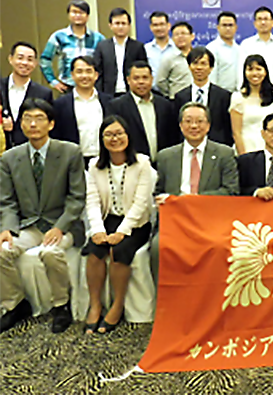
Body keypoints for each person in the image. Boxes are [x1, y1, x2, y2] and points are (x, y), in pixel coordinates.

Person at [0, 98, 85, 334]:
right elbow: (6, 201)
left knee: (50, 252)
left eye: (39, 119)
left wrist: (60, 227)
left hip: (63, 224)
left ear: (51, 124)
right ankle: (15, 304)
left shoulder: (70, 152)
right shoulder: (9, 158)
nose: (32, 124)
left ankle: (61, 305)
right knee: (3, 250)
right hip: (29, 226)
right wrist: (6, 227)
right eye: (27, 119)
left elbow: (77, 197)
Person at [152, 102, 239, 279]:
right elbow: (157, 192)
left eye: (199, 121)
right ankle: (164, 301)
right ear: (180, 125)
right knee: (157, 248)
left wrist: (194, 199)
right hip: (175, 221)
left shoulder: (224, 153)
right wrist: (161, 200)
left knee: (219, 247)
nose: (193, 126)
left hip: (211, 221)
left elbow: (231, 192)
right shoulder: (165, 156)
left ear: (208, 125)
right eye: (188, 121)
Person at [84, 115, 153, 334]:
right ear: (102, 138)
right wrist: (97, 230)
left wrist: (122, 231)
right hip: (107, 220)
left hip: (136, 223)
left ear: (128, 136)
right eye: (109, 135)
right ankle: (95, 305)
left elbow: (141, 204)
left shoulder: (142, 163)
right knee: (94, 252)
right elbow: (92, 200)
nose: (115, 139)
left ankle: (118, 304)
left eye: (119, 134)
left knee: (119, 251)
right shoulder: (94, 165)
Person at [109, 61, 177, 164]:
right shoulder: (117, 106)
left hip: (162, 164)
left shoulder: (165, 105)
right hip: (132, 165)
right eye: (136, 78)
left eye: (145, 78)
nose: (141, 82)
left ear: (152, 79)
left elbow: (172, 137)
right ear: (128, 80)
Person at [51, 56, 112, 168]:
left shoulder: (109, 102)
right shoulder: (60, 104)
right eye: (79, 72)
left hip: (104, 160)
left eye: (89, 71)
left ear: (96, 75)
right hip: (73, 162)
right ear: (72, 75)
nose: (84, 76)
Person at [40, 0, 106, 93]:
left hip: (92, 87)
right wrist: (53, 81)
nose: (78, 16)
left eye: (81, 12)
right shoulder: (59, 36)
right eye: (74, 12)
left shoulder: (98, 38)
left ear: (87, 16)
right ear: (68, 15)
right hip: (67, 87)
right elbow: (45, 59)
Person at [174, 46, 233, 147]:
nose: (199, 68)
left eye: (203, 63)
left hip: (216, 148)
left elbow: (227, 128)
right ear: (189, 66)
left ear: (211, 68)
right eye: (195, 63)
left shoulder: (224, 96)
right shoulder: (180, 96)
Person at [1, 42, 54, 149]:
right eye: (20, 58)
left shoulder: (43, 93)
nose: (24, 63)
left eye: (30, 59)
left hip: (29, 151)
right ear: (10, 59)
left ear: (35, 63)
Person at [230, 54, 273, 155]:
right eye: (250, 69)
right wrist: (243, 156)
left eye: (258, 69)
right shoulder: (238, 98)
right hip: (246, 150)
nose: (255, 73)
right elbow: (236, 133)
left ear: (265, 72)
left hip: (268, 151)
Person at [94, 8, 148, 97]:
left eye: (123, 23)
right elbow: (98, 72)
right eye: (117, 23)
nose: (120, 27)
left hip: (131, 94)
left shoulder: (138, 46)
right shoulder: (102, 46)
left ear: (129, 26)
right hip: (108, 94)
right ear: (110, 25)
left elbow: (143, 70)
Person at [238, 7, 273, 92]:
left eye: (266, 19)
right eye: (259, 19)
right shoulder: (246, 44)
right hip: (253, 90)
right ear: (255, 23)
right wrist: (241, 88)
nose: (263, 22)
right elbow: (241, 68)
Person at [155, 21, 195, 99]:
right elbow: (160, 82)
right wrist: (172, 93)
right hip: (177, 100)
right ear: (172, 39)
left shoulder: (198, 55)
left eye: (183, 33)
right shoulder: (168, 58)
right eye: (176, 35)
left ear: (192, 36)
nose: (180, 37)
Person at [205, 11, 241, 92]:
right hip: (219, 94)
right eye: (224, 25)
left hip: (238, 95)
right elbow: (211, 77)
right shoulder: (212, 48)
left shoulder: (239, 49)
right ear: (218, 27)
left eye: (230, 25)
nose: (228, 28)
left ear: (236, 27)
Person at [144, 11, 175, 80]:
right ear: (151, 27)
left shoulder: (177, 48)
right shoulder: (145, 49)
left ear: (169, 26)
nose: (159, 28)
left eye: (162, 24)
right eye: (155, 25)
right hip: (152, 89)